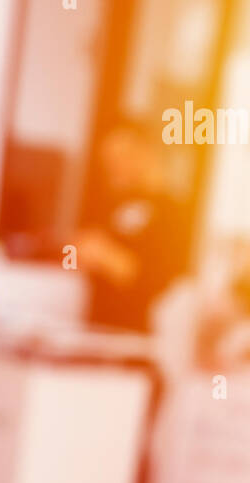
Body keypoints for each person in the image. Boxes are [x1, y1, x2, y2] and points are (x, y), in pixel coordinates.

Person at [74, 121, 187, 334]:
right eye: (108, 161)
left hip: (134, 335)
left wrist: (108, 257)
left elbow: (159, 280)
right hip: (95, 328)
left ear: (145, 154)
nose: (113, 167)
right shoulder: (110, 204)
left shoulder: (171, 211)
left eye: (121, 158)